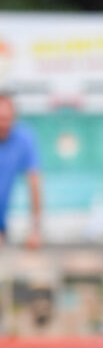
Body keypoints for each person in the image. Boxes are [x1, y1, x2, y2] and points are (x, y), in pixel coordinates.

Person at [0, 94, 42, 249]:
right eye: (0, 119)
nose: (4, 124)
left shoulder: (23, 138)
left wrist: (35, 229)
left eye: (7, 119)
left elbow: (34, 182)